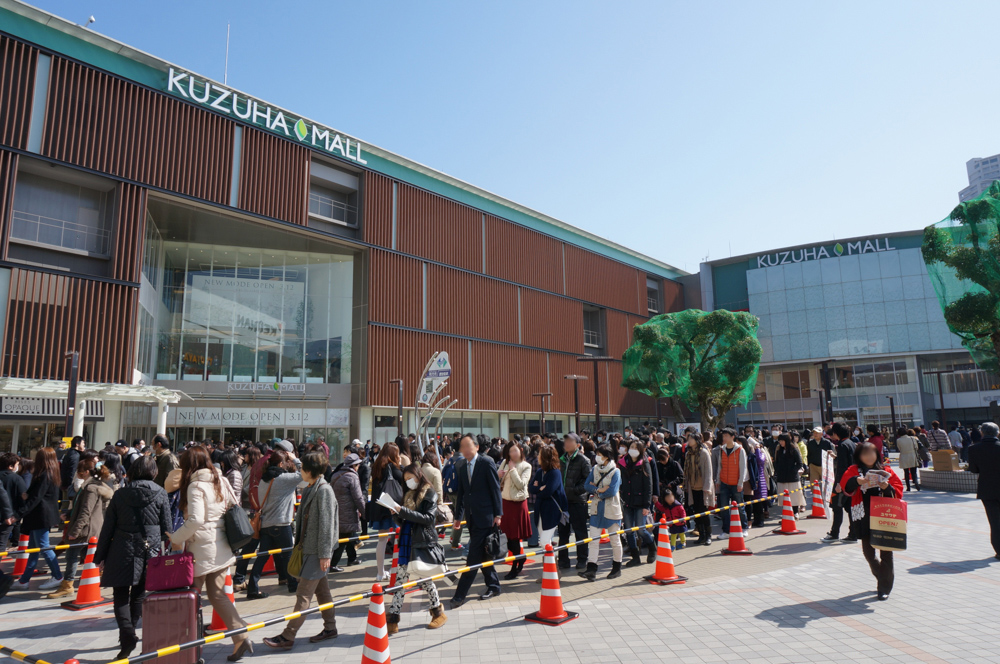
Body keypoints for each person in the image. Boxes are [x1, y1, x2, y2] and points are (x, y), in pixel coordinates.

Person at [169, 446, 252, 661]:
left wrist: (176, 537)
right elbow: (233, 505)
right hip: (222, 545)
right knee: (217, 595)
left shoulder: (195, 485)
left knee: (191, 597)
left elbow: (196, 519)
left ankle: (186, 645)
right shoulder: (220, 479)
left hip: (201, 549)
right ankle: (240, 637)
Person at [94, 456, 172, 658]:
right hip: (149, 549)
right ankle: (130, 633)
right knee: (138, 593)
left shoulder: (120, 494)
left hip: (122, 546)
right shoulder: (161, 493)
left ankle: (127, 635)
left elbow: (108, 527)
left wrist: (99, 555)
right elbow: (167, 529)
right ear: (153, 472)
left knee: (120, 594)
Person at [263, 452, 339, 649]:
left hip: (317, 551)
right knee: (322, 592)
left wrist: (325, 554)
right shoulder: (311, 487)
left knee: (303, 594)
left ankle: (288, 636)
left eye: (302, 468)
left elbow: (327, 525)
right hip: (309, 548)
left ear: (310, 471)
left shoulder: (324, 490)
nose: (299, 471)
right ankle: (330, 628)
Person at [383, 464, 448, 633]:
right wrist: (396, 514)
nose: (408, 482)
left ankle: (437, 613)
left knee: (424, 578)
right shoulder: (408, 495)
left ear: (419, 475)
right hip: (407, 540)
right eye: (405, 479)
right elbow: (405, 521)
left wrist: (402, 511)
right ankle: (394, 618)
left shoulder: (430, 493)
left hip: (422, 542)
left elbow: (427, 518)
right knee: (401, 580)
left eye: (410, 478)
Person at [840, 442, 903, 600]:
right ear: (859, 456)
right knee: (868, 553)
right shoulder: (853, 470)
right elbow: (845, 485)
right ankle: (883, 578)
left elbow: (898, 490)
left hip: (884, 516)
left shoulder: (886, 470)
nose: (869, 457)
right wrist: (857, 481)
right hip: (864, 515)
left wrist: (887, 487)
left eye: (871, 453)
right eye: (865, 454)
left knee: (886, 552)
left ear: (877, 454)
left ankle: (884, 588)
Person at [48, 450, 113, 599]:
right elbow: (81, 507)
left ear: (86, 472)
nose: (77, 474)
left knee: (72, 556)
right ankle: (101, 575)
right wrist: (69, 514)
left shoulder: (90, 488)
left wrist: (75, 531)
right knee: (88, 555)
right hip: (91, 528)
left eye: (79, 471)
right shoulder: (93, 486)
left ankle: (67, 585)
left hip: (85, 529)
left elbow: (86, 511)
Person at [449, 434, 503, 608]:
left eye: (468, 445)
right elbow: (463, 494)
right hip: (471, 518)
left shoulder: (486, 462)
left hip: (486, 517)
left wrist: (498, 514)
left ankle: (459, 595)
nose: (465, 449)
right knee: (483, 554)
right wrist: (458, 517)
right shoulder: (462, 465)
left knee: (473, 557)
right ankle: (494, 586)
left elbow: (495, 489)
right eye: (462, 446)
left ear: (477, 447)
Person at [245, 448, 302, 598]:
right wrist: (295, 459)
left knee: (262, 557)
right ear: (281, 464)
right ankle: (293, 585)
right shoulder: (284, 479)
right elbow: (304, 476)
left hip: (266, 524)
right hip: (281, 523)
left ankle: (252, 588)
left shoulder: (264, 479)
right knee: (288, 555)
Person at [12, 447, 64, 592]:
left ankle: (57, 576)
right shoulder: (52, 474)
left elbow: (36, 498)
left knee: (43, 547)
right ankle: (24, 580)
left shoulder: (44, 475)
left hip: (40, 516)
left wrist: (18, 514)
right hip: (43, 516)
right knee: (34, 549)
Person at [579, 444, 623, 581]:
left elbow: (612, 491)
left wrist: (597, 490)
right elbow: (586, 485)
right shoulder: (595, 469)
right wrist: (599, 490)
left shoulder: (616, 471)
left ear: (607, 456)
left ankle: (617, 568)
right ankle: (591, 569)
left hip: (612, 510)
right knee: (594, 541)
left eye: (600, 455)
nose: (597, 457)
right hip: (596, 509)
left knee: (615, 540)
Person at [369, 441, 404, 581]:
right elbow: (403, 478)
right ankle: (394, 570)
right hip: (392, 507)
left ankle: (380, 573)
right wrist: (401, 464)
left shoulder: (377, 466)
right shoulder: (393, 467)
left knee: (382, 540)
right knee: (399, 537)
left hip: (380, 506)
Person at [557, 433, 592, 570]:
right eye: (565, 440)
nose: (566, 443)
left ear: (577, 445)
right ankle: (563, 560)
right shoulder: (561, 459)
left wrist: (575, 490)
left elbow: (588, 481)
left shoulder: (583, 460)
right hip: (563, 502)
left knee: (580, 532)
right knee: (563, 533)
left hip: (578, 501)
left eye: (569, 441)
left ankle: (582, 559)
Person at [498, 440, 532, 580]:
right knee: (507, 536)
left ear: (521, 450)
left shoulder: (526, 466)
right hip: (505, 502)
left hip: (518, 504)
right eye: (510, 451)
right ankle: (520, 559)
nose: (513, 453)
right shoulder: (505, 462)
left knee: (515, 537)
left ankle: (515, 566)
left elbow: (521, 484)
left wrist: (512, 470)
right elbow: (499, 482)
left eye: (515, 450)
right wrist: (499, 475)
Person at [619, 440, 656, 566]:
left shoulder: (645, 463)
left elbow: (648, 486)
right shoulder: (623, 463)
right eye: (631, 447)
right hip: (627, 501)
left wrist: (646, 505)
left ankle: (652, 547)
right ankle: (635, 556)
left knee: (641, 529)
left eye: (635, 447)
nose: (632, 449)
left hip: (641, 502)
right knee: (628, 530)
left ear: (640, 450)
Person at [967, 422, 1000, 559]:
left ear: (982, 433)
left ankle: (999, 550)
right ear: (997, 433)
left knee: (995, 521)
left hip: (987, 489)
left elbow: (974, 470)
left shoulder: (973, 449)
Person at [529, 445, 568, 560]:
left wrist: (538, 489)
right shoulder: (540, 471)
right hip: (540, 510)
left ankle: (551, 565)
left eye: (540, 455)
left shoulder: (555, 473)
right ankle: (551, 566)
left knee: (544, 541)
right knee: (545, 542)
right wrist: (540, 488)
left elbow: (548, 491)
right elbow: (531, 488)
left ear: (545, 457)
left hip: (552, 511)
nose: (538, 457)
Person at [329, 453, 367, 571]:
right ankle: (333, 564)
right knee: (343, 537)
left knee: (349, 535)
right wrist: (365, 513)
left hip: (336, 510)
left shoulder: (336, 474)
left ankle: (352, 558)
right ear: (354, 465)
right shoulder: (352, 477)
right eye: (358, 465)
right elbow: (358, 497)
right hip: (348, 512)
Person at [823, 423, 858, 543]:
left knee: (837, 507)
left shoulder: (842, 445)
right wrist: (835, 457)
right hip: (852, 481)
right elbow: (848, 462)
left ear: (836, 433)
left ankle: (834, 534)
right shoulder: (851, 443)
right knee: (849, 508)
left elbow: (843, 467)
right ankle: (853, 534)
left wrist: (839, 484)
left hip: (843, 481)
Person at [714, 428, 749, 535]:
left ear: (733, 437)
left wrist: (740, 483)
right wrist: (718, 480)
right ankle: (726, 531)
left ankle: (744, 527)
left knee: (740, 506)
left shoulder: (740, 450)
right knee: (724, 508)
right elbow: (720, 466)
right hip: (724, 482)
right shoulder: (722, 449)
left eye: (726, 436)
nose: (724, 438)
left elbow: (743, 468)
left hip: (736, 484)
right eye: (723, 436)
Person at [684, 433, 715, 545]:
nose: (689, 441)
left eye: (691, 439)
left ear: (697, 440)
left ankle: (708, 536)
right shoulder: (688, 454)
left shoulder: (704, 452)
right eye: (688, 439)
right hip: (693, 487)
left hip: (703, 488)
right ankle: (701, 535)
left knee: (704, 512)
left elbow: (709, 471)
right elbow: (686, 471)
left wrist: (707, 487)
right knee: (696, 513)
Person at [773, 434, 806, 517]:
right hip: (782, 477)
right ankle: (787, 514)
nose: (780, 442)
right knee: (784, 497)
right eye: (779, 441)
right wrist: (778, 470)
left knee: (794, 496)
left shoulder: (793, 449)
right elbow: (776, 462)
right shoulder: (779, 450)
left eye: (782, 441)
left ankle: (795, 512)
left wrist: (793, 470)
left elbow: (799, 463)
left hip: (792, 477)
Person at [60, 436, 85, 502]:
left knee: (65, 503)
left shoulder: (70, 452)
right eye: (83, 443)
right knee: (67, 504)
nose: (84, 445)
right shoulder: (75, 455)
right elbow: (72, 471)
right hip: (69, 485)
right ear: (77, 444)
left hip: (65, 484)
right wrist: (72, 485)